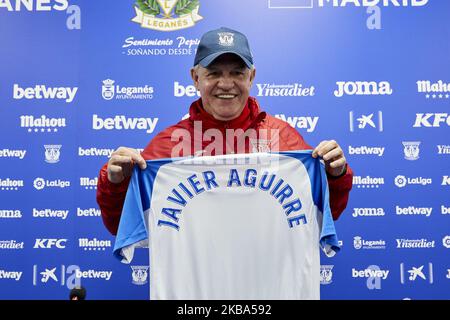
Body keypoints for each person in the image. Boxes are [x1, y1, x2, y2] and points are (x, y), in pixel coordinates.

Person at [96, 27, 353, 236]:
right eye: (214, 73)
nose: (226, 84)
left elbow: (321, 215)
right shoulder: (168, 145)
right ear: (195, 78)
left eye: (237, 73)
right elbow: (123, 227)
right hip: (195, 288)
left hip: (267, 283)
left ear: (251, 77)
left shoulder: (283, 138)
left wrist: (334, 176)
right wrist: (116, 184)